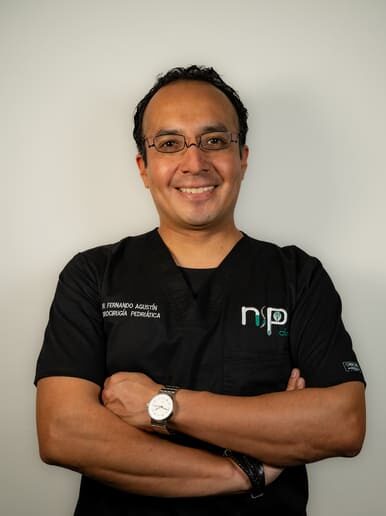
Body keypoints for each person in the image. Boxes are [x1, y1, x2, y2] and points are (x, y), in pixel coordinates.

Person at [35, 65, 366, 516]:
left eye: (214, 140)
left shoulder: (298, 276)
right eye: (170, 143)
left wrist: (164, 405)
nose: (195, 162)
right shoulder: (92, 275)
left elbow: (343, 424)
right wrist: (242, 473)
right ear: (144, 168)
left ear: (242, 158)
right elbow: (63, 432)